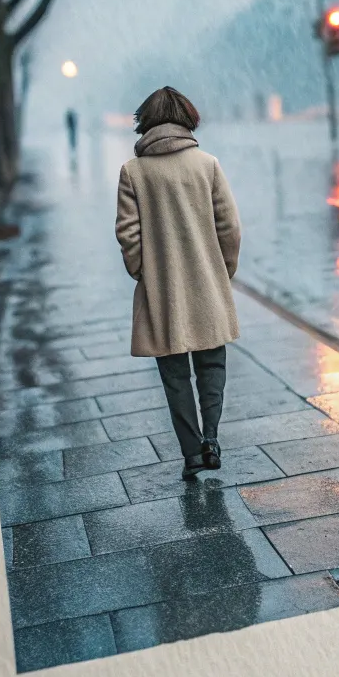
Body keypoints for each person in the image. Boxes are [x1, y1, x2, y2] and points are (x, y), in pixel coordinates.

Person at [115, 87, 242, 481]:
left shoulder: (133, 172)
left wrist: (144, 272)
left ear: (146, 123)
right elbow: (230, 228)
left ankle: (191, 454)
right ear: (188, 119)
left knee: (174, 376)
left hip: (162, 291)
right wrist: (224, 270)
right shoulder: (208, 165)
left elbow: (128, 234)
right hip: (207, 283)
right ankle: (212, 440)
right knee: (211, 366)